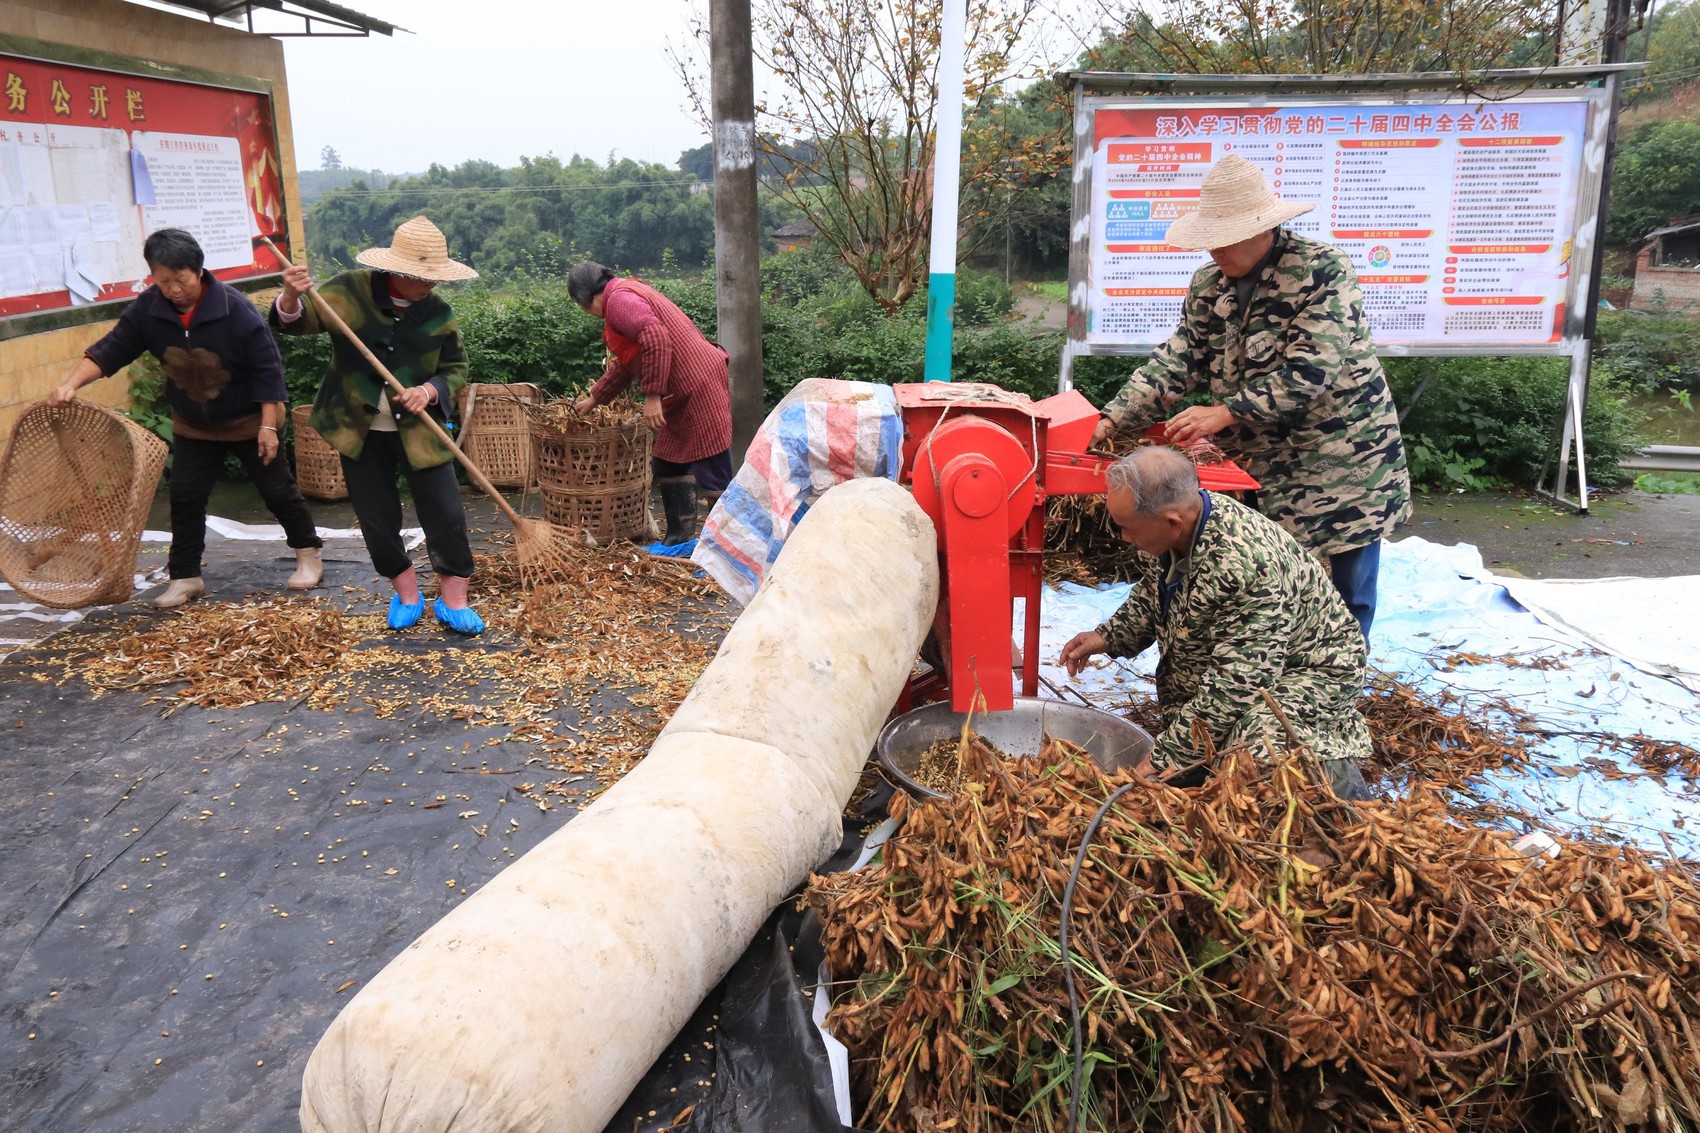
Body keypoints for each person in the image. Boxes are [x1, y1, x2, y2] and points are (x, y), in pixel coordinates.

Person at [1090, 154, 1409, 640]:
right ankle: (1268, 668)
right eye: (1210, 238)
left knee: (1345, 589)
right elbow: (1178, 360)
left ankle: (1342, 675)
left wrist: (1226, 411)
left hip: (1342, 458)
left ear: (1263, 229)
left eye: (1226, 237)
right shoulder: (1208, 284)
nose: (1215, 249)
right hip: (1259, 463)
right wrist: (1114, 418)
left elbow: (1310, 370)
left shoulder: (1320, 270)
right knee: (1264, 576)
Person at [1059, 447, 1374, 801]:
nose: (1123, 537)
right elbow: (1154, 593)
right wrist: (1108, 636)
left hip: (1315, 670)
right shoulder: (1177, 528)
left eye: (1127, 528)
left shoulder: (1249, 568)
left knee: (1255, 748)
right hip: (1254, 665)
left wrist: (1165, 758)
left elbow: (1235, 685)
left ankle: (1342, 794)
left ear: (1171, 522)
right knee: (1205, 750)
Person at [50, 227, 322, 609]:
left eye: (180, 279)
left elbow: (267, 368)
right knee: (185, 498)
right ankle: (185, 576)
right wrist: (70, 384)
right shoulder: (149, 309)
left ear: (198, 270)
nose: (174, 290)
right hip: (194, 424)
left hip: (249, 421)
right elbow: (111, 349)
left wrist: (267, 426)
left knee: (278, 492)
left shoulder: (234, 308)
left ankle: (308, 554)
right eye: (163, 281)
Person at [271, 216, 484, 635]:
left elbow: (456, 368)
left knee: (445, 511)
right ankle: (407, 594)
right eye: (421, 276)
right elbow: (299, 321)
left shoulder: (438, 313)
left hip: (421, 432)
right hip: (358, 428)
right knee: (376, 516)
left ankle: (454, 599)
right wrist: (290, 297)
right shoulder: (350, 291)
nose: (429, 284)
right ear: (396, 270)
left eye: (434, 277)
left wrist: (429, 391)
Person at [567, 262, 732, 545]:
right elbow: (628, 363)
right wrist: (593, 399)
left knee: (712, 468)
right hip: (683, 389)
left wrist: (652, 396)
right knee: (667, 462)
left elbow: (655, 337)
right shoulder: (621, 295)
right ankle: (679, 540)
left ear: (584, 297)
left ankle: (727, 547)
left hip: (699, 383)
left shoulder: (618, 300)